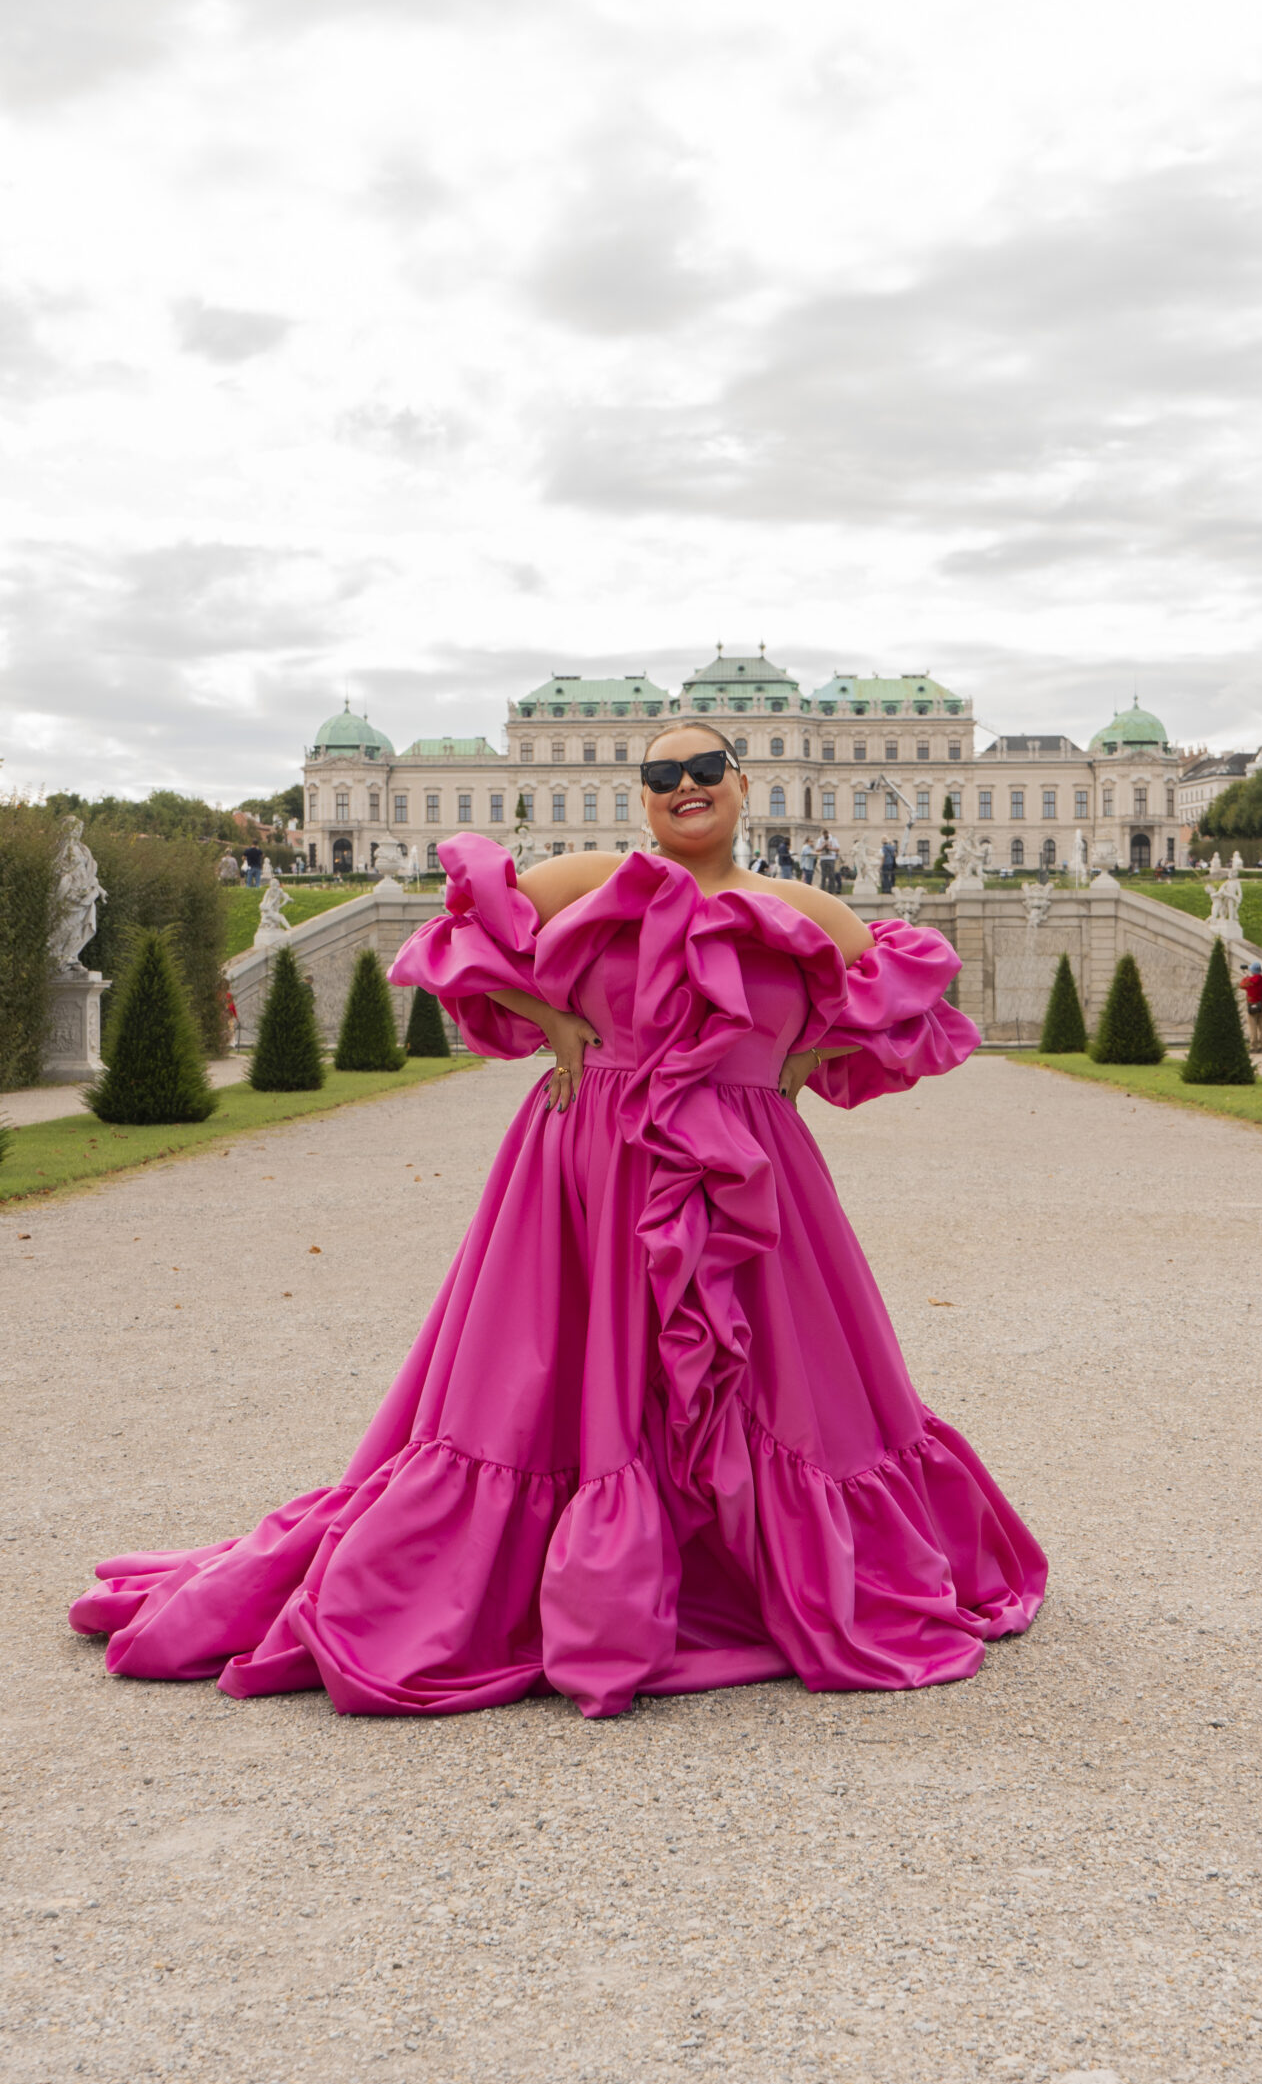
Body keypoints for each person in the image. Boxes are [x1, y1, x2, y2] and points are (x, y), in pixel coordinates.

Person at [70, 722, 1045, 1720]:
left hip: (748, 1180)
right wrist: (549, 1021)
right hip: (593, 1160)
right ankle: (579, 1578)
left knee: (767, 1382)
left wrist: (803, 1056)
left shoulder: (803, 907)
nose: (685, 783)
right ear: (642, 793)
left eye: (705, 767)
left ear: (744, 783)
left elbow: (917, 1010)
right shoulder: (589, 877)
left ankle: (735, 1567)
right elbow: (452, 937)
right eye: (662, 772)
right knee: (572, 1378)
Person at [1241, 962, 1262, 1051]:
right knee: (1261, 1027)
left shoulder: (1250, 980)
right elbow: (1259, 979)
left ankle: (1253, 1046)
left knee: (1253, 1027)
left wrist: (1245, 977)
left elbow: (1242, 985)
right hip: (1261, 1004)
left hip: (1252, 1004)